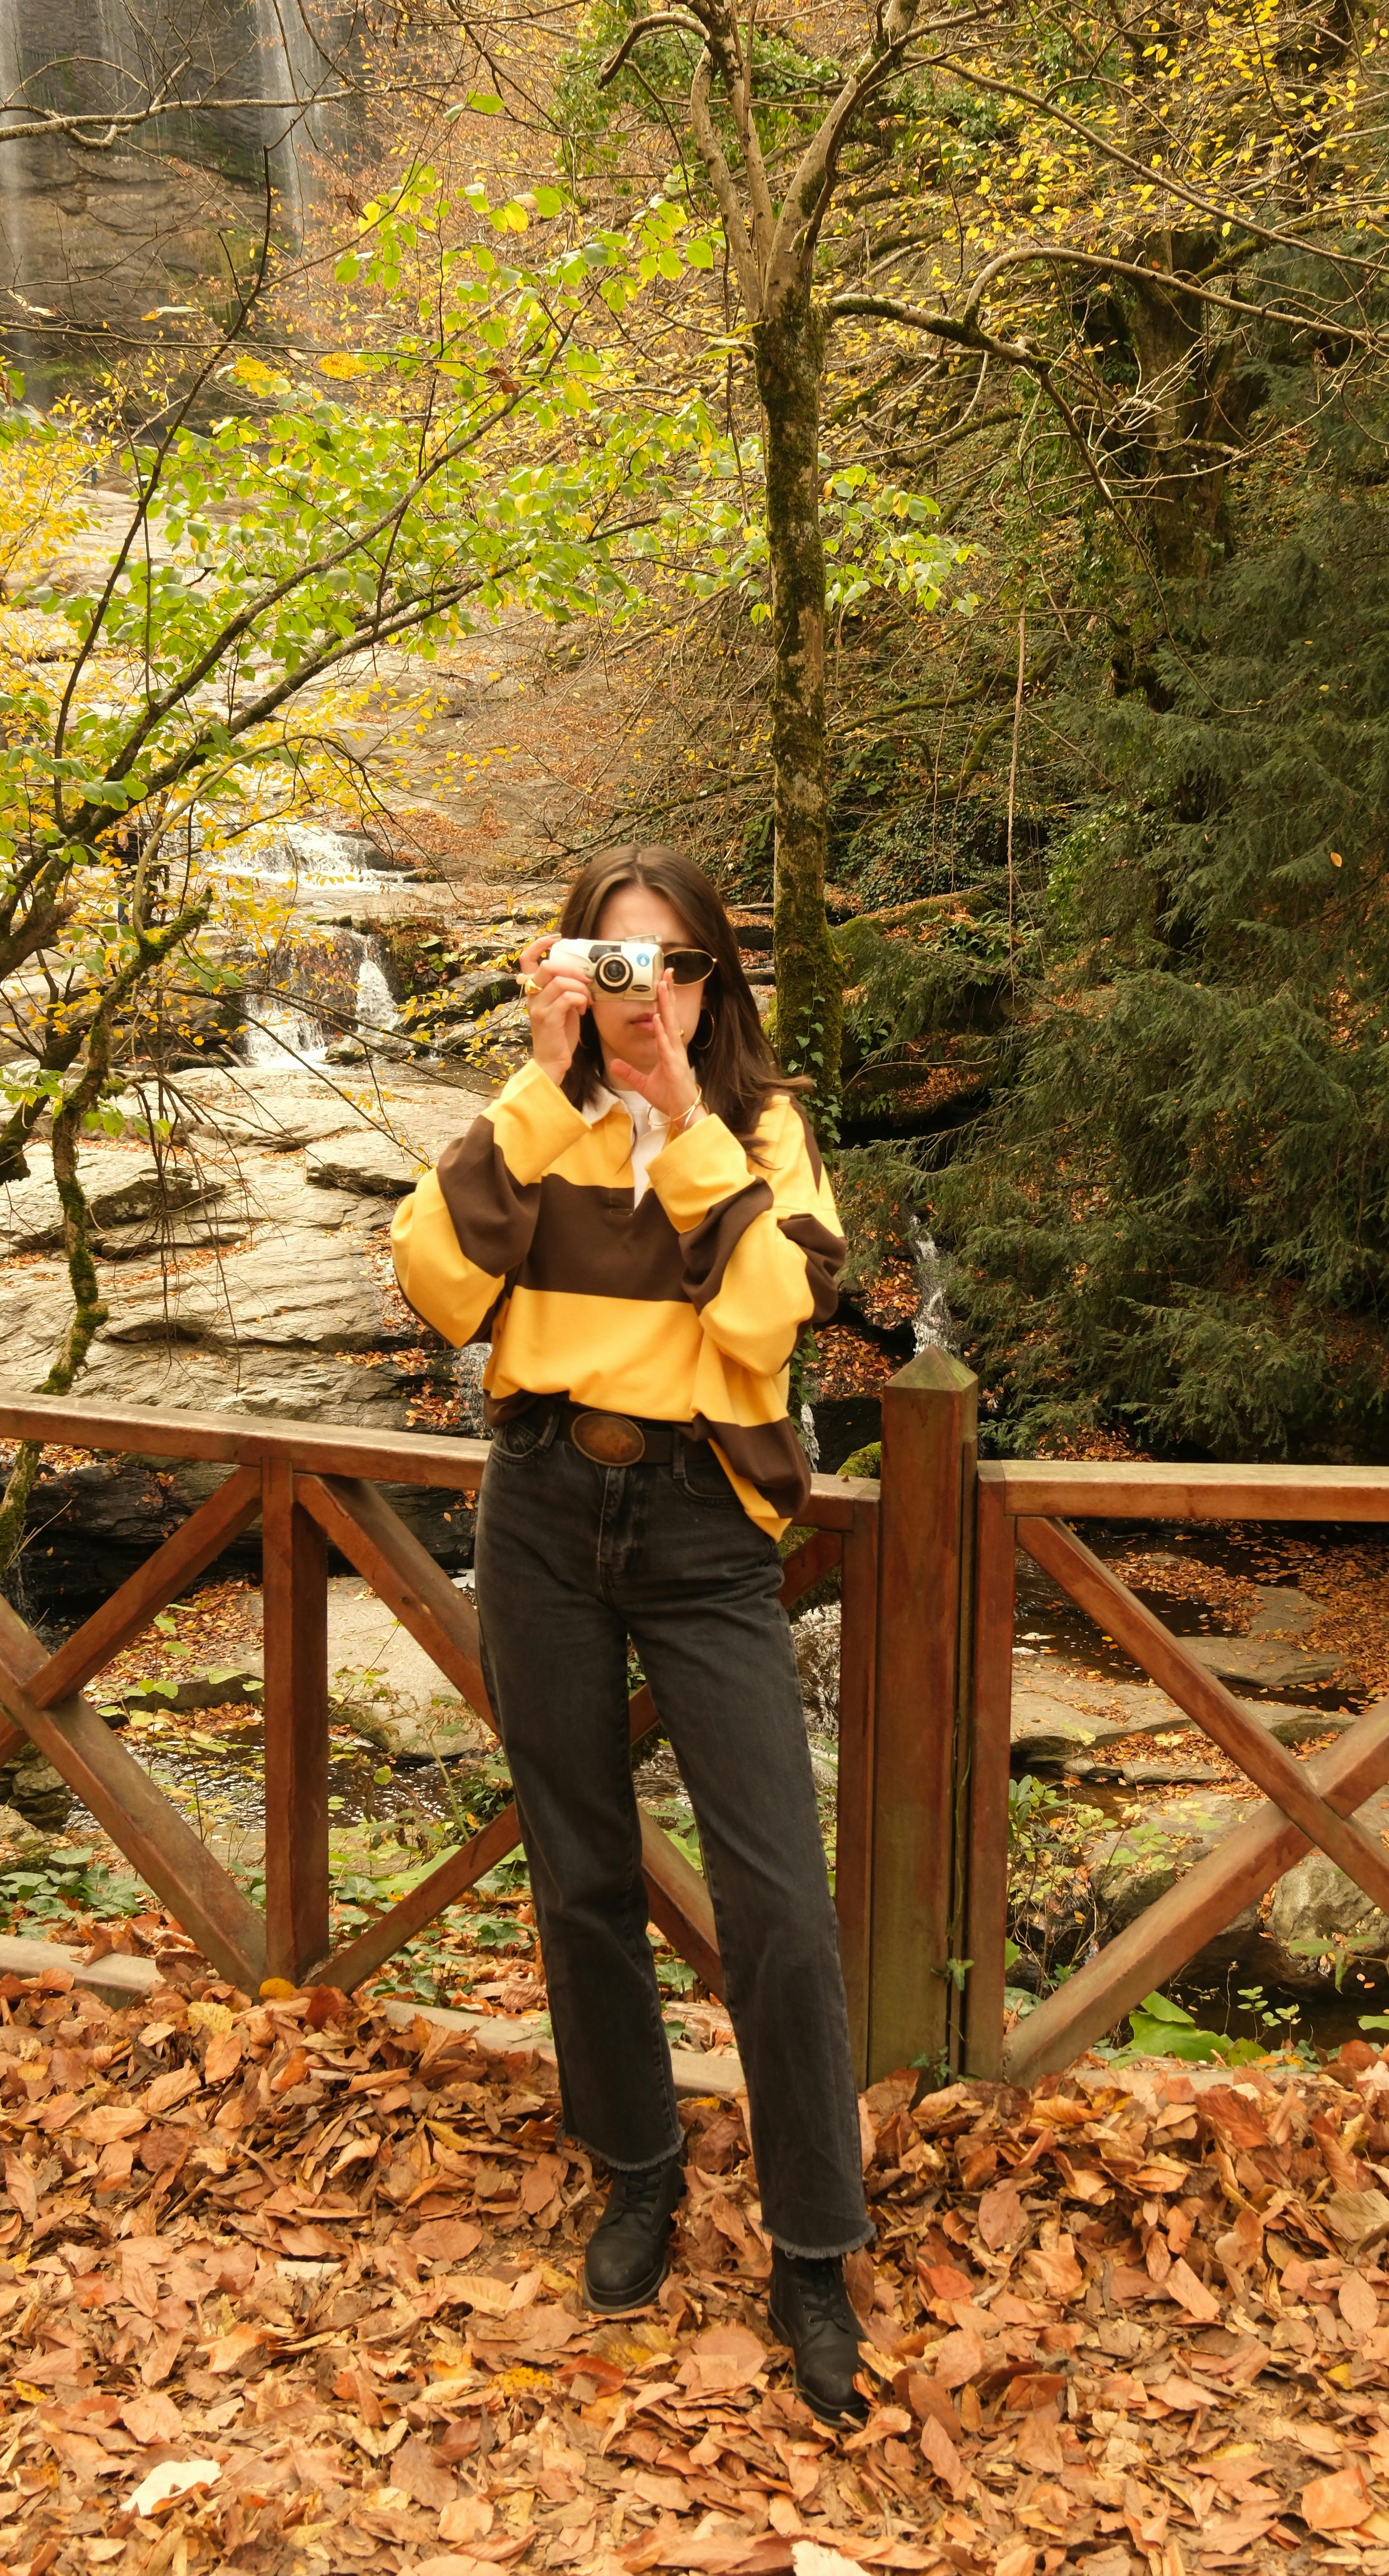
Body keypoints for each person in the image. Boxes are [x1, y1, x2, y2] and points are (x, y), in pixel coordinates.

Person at [389, 845, 872, 2425]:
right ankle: (638, 2165)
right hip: (537, 1509)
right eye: (615, 962)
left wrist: (681, 1126)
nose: (641, 993)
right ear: (568, 973)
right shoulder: (535, 1121)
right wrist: (546, 1095)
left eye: (669, 966)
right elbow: (430, 1284)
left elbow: (764, 1321)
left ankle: (813, 2239)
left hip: (696, 1532)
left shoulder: (766, 1132)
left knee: (778, 1901)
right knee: (580, 1867)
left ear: (712, 981)